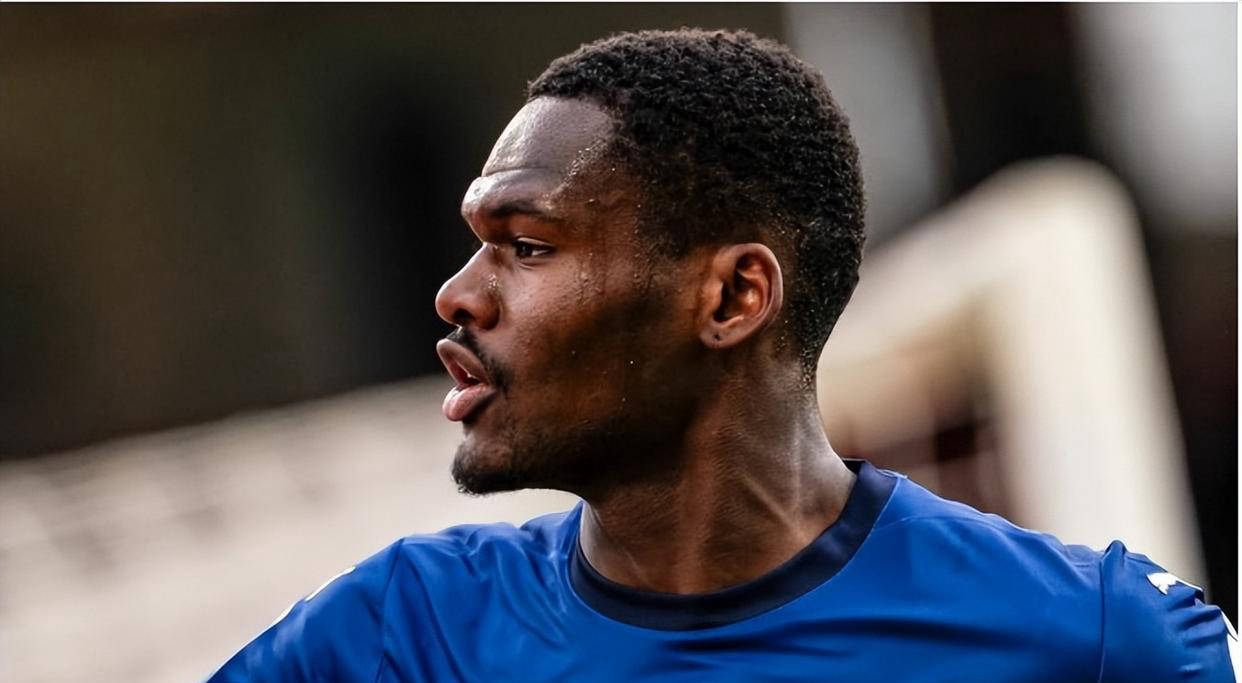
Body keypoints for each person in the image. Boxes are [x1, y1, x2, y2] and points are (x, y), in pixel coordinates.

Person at [208, 28, 1237, 682]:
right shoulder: (401, 634)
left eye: (528, 246)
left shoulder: (1097, 638)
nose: (458, 294)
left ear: (734, 296)